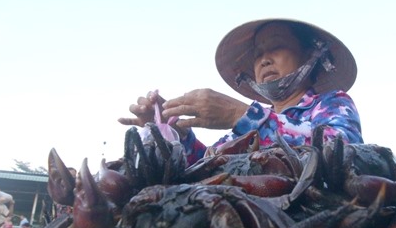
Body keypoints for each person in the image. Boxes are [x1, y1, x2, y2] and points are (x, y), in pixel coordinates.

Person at [119, 18, 363, 166]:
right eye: (257, 54)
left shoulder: (332, 103)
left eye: (276, 46)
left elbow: (343, 153)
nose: (264, 60)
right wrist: (173, 134)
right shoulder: (243, 130)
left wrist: (243, 116)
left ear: (311, 55)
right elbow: (208, 163)